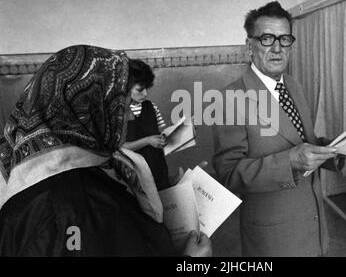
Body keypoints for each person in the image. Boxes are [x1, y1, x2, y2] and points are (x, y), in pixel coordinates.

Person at [0, 45, 212, 257]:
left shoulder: (54, 177)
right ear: (90, 108)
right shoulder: (71, 206)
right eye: (122, 106)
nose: (128, 116)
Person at [212, 1, 344, 257]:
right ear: (249, 45)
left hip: (314, 225)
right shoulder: (230, 98)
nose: (277, 48)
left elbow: (302, 140)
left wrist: (331, 149)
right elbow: (229, 174)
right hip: (274, 237)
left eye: (284, 39)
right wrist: (290, 161)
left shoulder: (293, 86)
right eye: (267, 38)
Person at [121, 59, 170, 191]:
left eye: (147, 89)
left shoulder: (152, 107)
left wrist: (182, 133)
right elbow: (120, 149)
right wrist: (148, 141)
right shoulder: (118, 112)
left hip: (158, 167)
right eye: (140, 90)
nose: (145, 94)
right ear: (125, 86)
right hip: (134, 173)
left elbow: (162, 134)